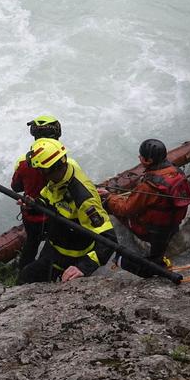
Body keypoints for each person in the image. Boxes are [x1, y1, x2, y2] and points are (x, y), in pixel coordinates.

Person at [17, 138, 117, 284]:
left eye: (40, 170)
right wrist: (34, 205)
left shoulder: (83, 198)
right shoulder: (59, 177)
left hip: (70, 257)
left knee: (26, 278)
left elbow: (109, 240)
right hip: (53, 246)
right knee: (28, 276)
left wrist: (83, 267)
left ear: (49, 169)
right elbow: (47, 198)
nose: (39, 173)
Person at [98, 139, 190, 277]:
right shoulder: (177, 172)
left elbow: (126, 209)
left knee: (110, 205)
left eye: (141, 156)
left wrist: (109, 197)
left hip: (150, 231)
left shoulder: (148, 186)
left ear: (147, 161)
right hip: (171, 228)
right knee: (156, 256)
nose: (139, 158)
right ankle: (157, 260)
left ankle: (120, 260)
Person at [11, 115, 61, 270]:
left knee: (32, 242)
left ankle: (23, 271)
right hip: (56, 215)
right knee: (55, 243)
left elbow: (16, 187)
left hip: (32, 216)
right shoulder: (63, 158)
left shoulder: (23, 162)